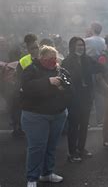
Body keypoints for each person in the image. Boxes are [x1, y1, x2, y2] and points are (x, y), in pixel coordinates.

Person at [21, 46, 71, 187]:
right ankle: (32, 178)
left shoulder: (60, 70)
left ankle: (47, 173)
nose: (53, 61)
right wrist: (47, 82)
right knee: (37, 147)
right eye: (49, 59)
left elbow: (70, 86)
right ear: (42, 58)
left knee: (51, 146)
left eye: (55, 58)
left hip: (58, 114)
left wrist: (64, 88)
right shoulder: (31, 70)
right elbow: (26, 87)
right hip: (35, 115)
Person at [61, 37, 104, 162]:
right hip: (74, 98)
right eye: (78, 45)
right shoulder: (67, 62)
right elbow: (66, 82)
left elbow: (100, 67)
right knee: (74, 125)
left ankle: (81, 148)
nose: (81, 47)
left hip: (86, 97)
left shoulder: (87, 59)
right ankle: (72, 152)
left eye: (82, 45)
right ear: (72, 46)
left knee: (85, 125)